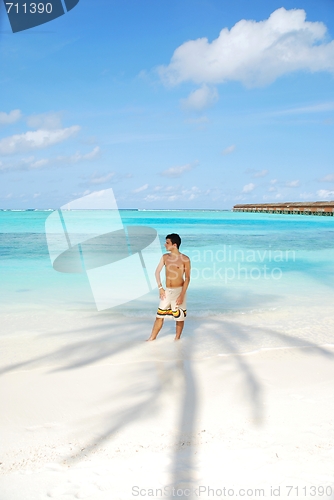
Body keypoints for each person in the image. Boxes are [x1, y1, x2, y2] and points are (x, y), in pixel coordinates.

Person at [147, 233, 191, 341]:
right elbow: (157, 272)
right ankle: (151, 339)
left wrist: (181, 295)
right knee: (159, 316)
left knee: (179, 318)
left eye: (167, 243)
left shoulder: (185, 259)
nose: (165, 245)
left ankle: (177, 339)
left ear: (174, 245)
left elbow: (187, 279)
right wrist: (160, 288)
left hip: (179, 291)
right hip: (167, 291)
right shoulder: (165, 257)